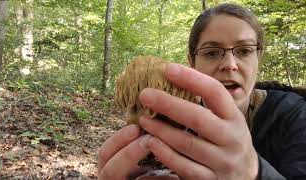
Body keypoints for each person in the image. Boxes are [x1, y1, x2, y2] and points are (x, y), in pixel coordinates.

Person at [98, 3, 306, 180]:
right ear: (192, 61)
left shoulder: (295, 115)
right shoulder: (168, 123)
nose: (230, 64)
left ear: (258, 57)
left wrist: (255, 174)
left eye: (244, 51)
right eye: (212, 53)